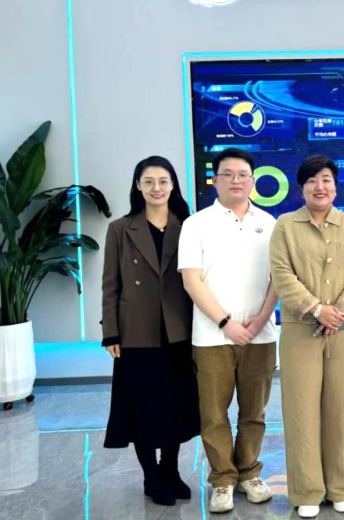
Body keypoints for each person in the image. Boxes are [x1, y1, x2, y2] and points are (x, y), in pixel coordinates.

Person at [178, 148, 279, 514]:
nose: (236, 180)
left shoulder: (269, 223)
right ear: (215, 180)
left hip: (260, 336)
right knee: (214, 415)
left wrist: (261, 318)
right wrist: (226, 323)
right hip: (211, 338)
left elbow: (279, 278)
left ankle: (249, 473)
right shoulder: (196, 224)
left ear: (252, 180)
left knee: (254, 412)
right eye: (228, 174)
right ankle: (222, 479)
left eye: (243, 174)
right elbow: (192, 281)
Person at [269, 155, 344, 518]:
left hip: (342, 330)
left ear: (335, 186)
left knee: (341, 408)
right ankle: (307, 491)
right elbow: (281, 273)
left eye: (326, 179)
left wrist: (340, 310)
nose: (320, 186)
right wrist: (315, 308)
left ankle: (342, 487)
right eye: (312, 180)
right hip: (301, 331)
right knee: (301, 411)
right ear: (302, 188)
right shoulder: (285, 226)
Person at [101, 155, 199, 506]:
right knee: (142, 407)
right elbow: (110, 284)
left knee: (176, 404)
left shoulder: (188, 226)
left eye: (163, 181)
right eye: (148, 181)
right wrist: (110, 332)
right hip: (136, 332)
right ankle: (151, 475)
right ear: (137, 186)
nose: (156, 188)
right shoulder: (120, 229)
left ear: (173, 185)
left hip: (179, 329)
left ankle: (170, 469)